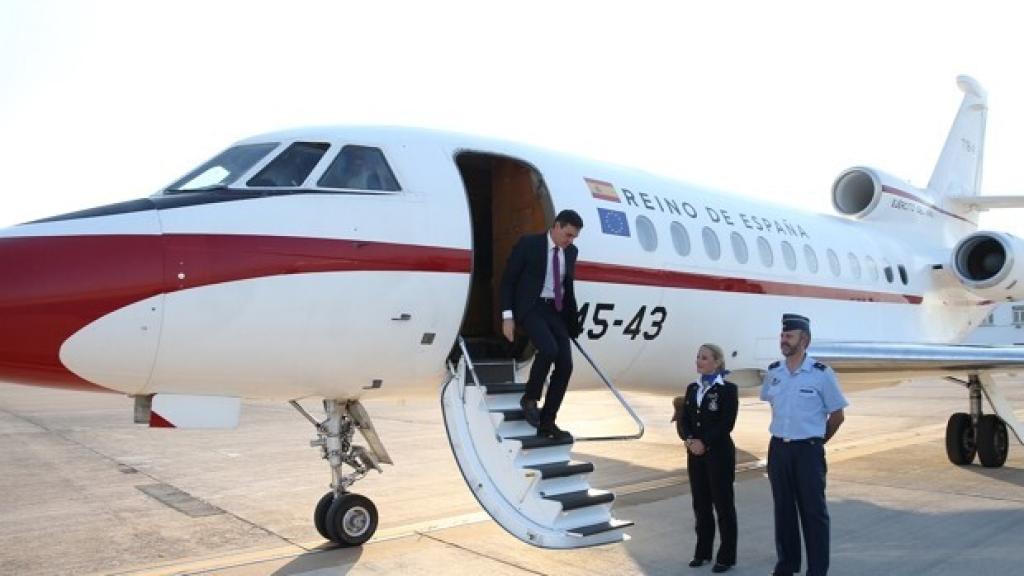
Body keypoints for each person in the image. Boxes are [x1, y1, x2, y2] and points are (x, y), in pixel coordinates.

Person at [761, 314, 848, 576]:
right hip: (779, 449)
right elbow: (773, 404)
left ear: (804, 340)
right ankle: (786, 566)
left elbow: (837, 415)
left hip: (808, 451)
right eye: (782, 335)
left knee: (813, 513)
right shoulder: (774, 372)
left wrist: (816, 441)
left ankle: (817, 570)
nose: (783, 340)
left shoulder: (821, 374)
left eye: (789, 336)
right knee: (783, 511)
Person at [500, 209, 584, 439]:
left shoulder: (571, 252)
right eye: (568, 234)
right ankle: (530, 398)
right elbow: (509, 281)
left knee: (565, 365)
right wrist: (507, 317)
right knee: (548, 349)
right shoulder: (529, 244)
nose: (570, 240)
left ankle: (548, 422)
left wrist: (572, 321)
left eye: (574, 237)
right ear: (556, 226)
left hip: (555, 312)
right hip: (531, 307)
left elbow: (567, 288)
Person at [674, 343, 738, 573]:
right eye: (698, 357)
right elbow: (684, 419)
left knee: (723, 505)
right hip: (695, 455)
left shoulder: (728, 390)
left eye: (704, 357)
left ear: (717, 362)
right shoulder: (693, 388)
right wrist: (690, 440)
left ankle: (726, 557)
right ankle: (702, 552)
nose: (698, 361)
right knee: (701, 505)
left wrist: (705, 442)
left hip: (719, 455)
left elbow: (727, 423)